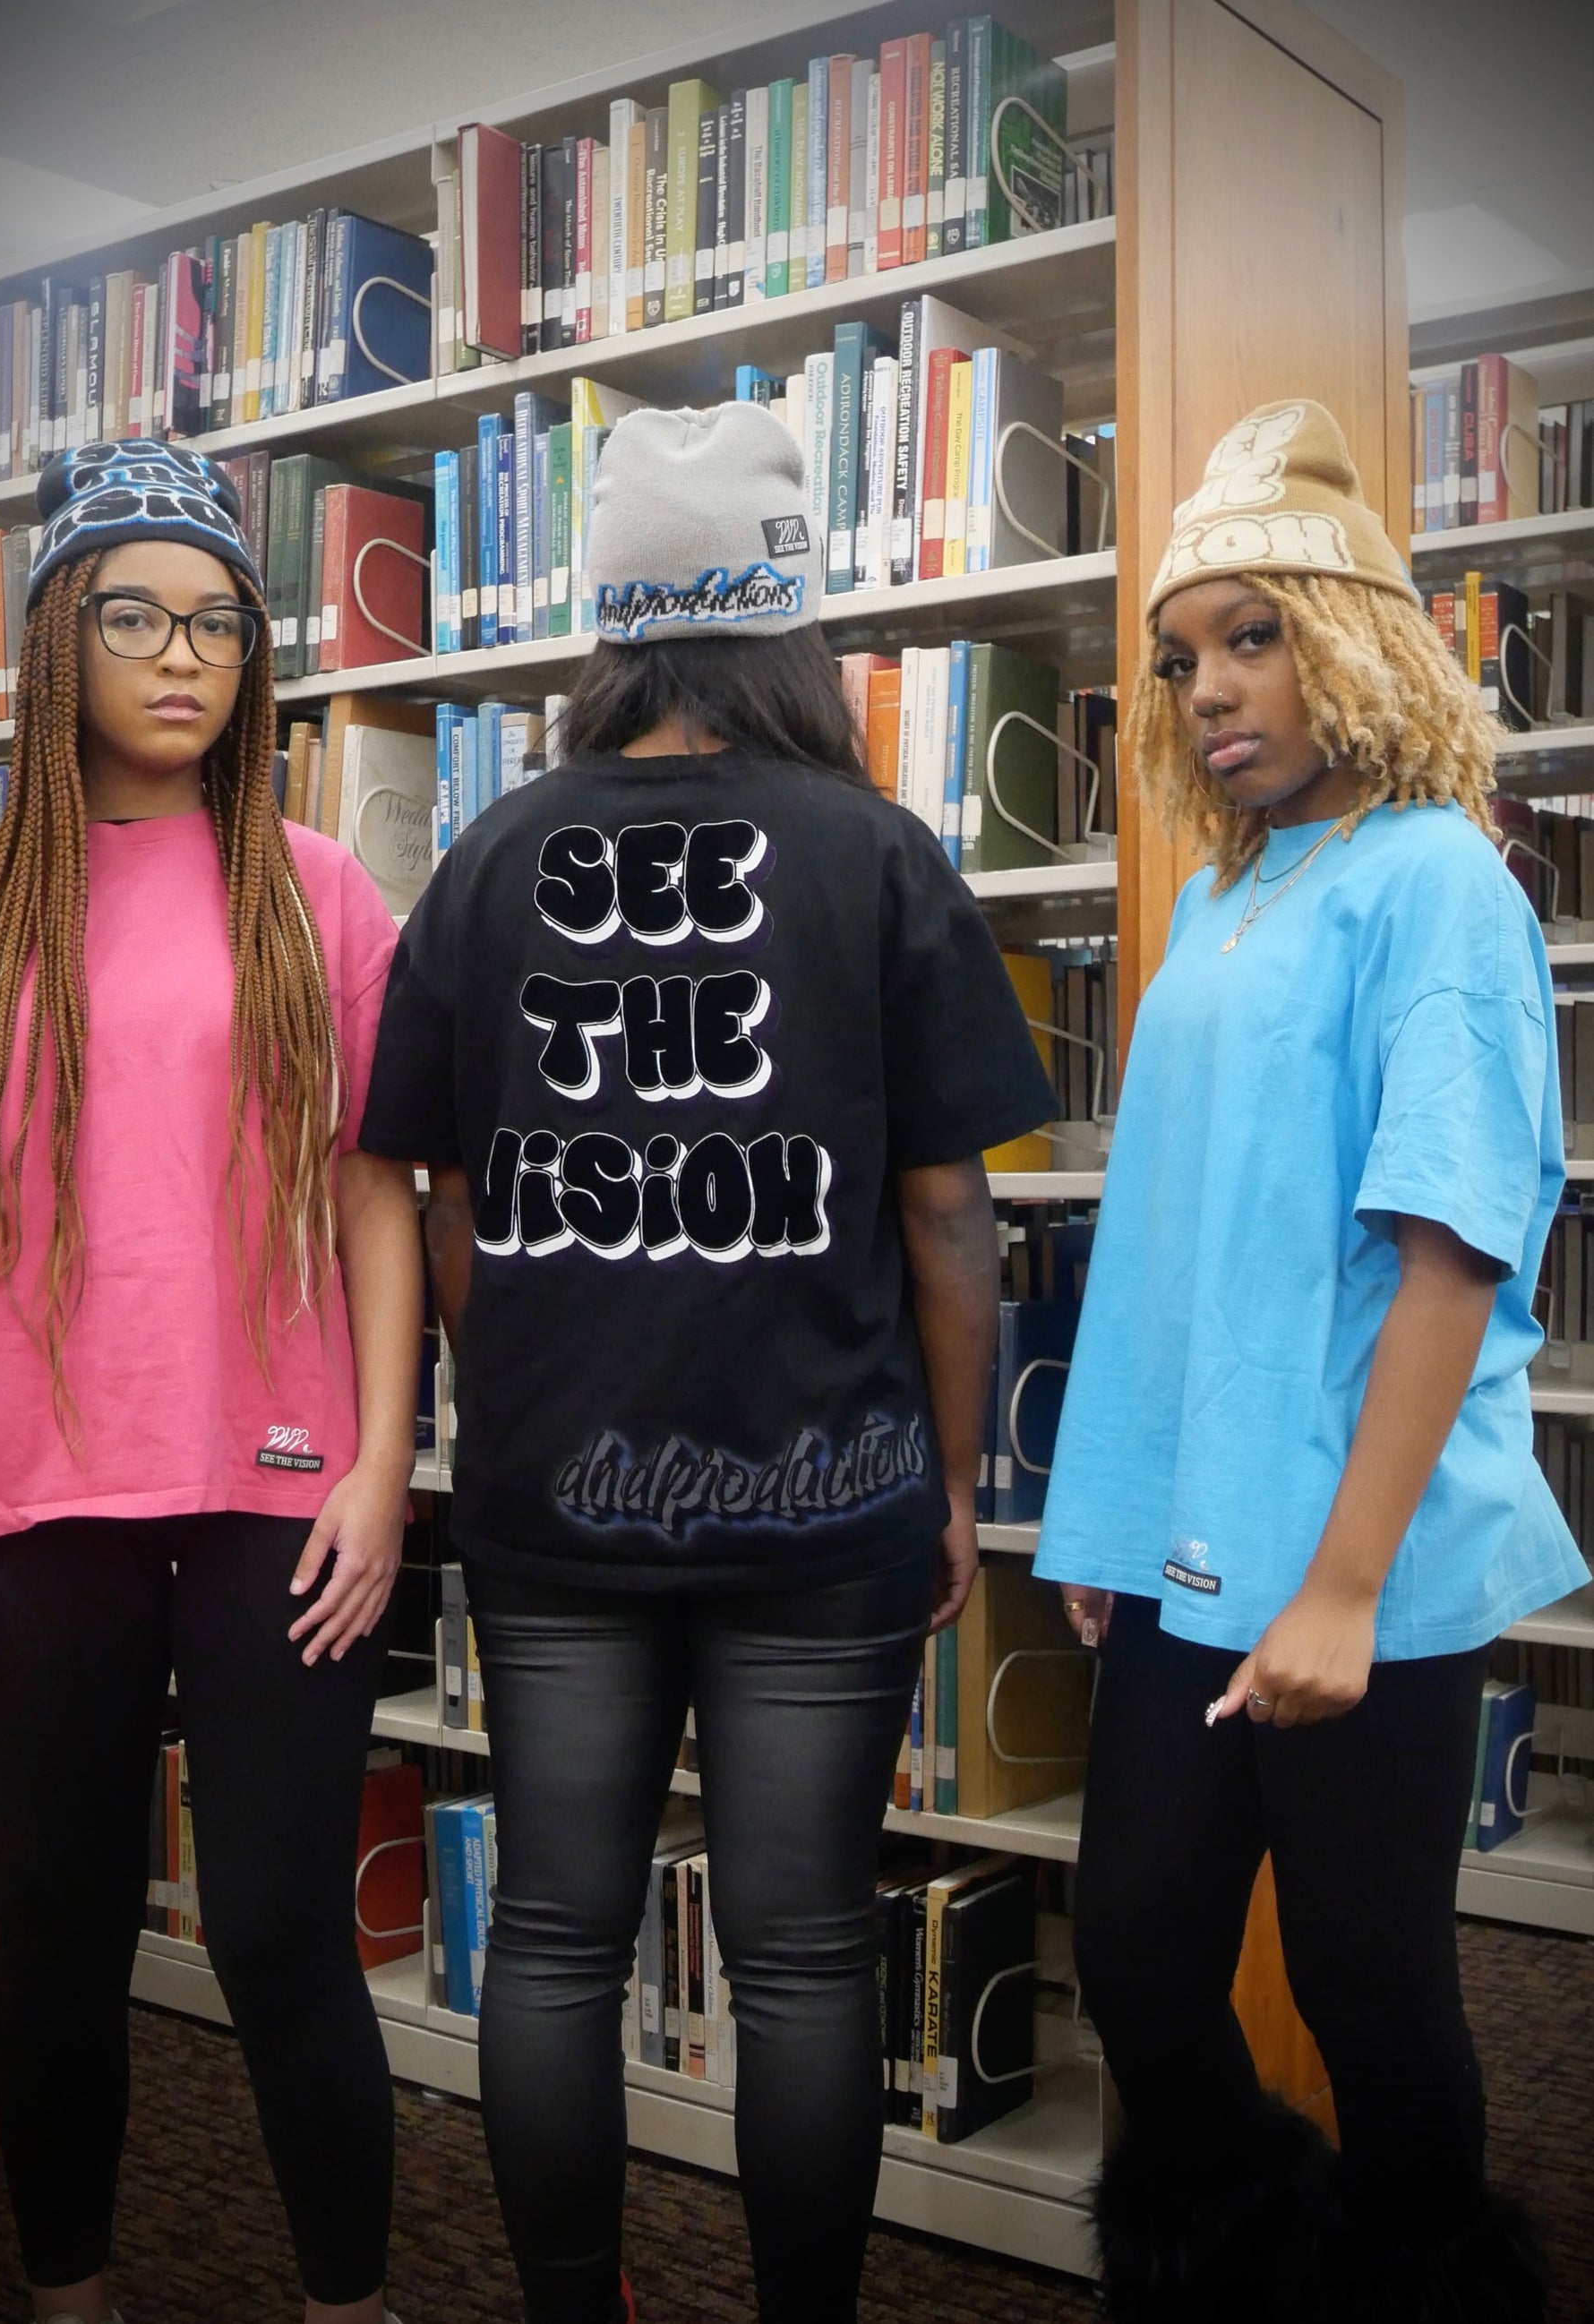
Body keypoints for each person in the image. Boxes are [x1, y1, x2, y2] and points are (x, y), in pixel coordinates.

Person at [357, 400, 1054, 2324]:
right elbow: (945, 1218)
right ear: (787, 623)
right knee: (809, 1952)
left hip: (557, 1497)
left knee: (555, 1937)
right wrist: (947, 1473)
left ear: (611, 625)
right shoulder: (878, 855)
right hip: (828, 1497)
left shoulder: (489, 858)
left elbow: (440, 1197)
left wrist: (525, 1382)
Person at [0, 442, 423, 2324]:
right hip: (37, 1494)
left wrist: (380, 1463)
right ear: (54, 641)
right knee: (57, 1930)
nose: (185, 658)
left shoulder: (316, 892)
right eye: (137, 617)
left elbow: (375, 1195)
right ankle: (70, 2298)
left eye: (220, 625)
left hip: (281, 1491)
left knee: (278, 1930)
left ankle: (349, 2306)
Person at [1034, 400, 1581, 2322]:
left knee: (1366, 1982)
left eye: (1253, 637)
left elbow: (1450, 1245)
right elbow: (1177, 1245)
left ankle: (1425, 2287)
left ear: (1350, 644)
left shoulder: (1438, 879)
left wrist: (1343, 1586)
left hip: (1364, 1552)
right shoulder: (1217, 893)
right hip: (1191, 1540)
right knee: (1136, 1956)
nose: (1208, 689)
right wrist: (1114, 1515)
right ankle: (1239, 2264)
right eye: (1183, 656)